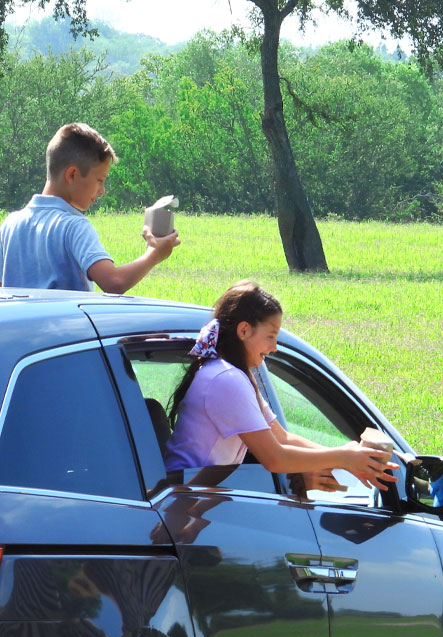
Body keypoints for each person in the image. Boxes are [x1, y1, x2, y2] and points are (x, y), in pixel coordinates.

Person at [164, 280, 398, 492]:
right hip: (184, 497)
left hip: (189, 495)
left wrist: (349, 460)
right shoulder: (227, 379)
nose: (274, 347)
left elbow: (282, 437)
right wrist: (343, 457)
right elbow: (275, 458)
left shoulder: (232, 375)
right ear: (244, 330)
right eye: (271, 336)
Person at [0, 122, 180, 293]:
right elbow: (113, 282)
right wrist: (155, 253)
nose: (102, 191)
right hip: (66, 326)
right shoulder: (74, 226)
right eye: (100, 180)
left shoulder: (10, 224)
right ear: (72, 175)